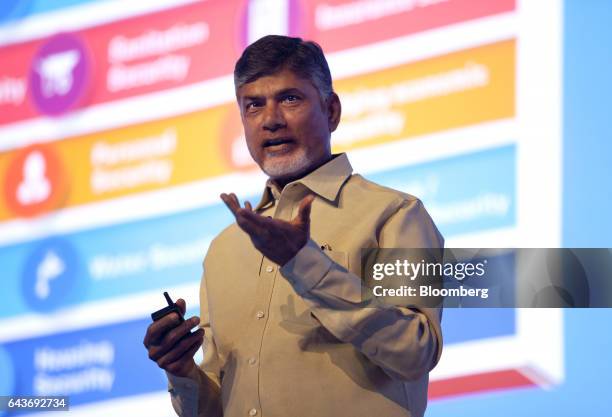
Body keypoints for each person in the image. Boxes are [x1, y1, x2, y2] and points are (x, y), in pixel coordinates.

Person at [143, 35, 444, 417]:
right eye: (254, 105)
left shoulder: (395, 213)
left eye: (290, 99)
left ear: (331, 110)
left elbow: (416, 351)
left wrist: (304, 262)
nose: (271, 120)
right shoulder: (224, 249)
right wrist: (182, 371)